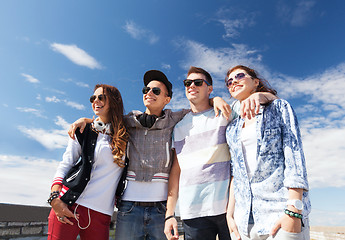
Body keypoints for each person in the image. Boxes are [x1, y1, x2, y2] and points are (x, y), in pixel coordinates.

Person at [164, 66, 277, 240]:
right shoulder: (178, 127)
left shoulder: (226, 112)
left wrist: (258, 95)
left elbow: (273, 100)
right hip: (192, 212)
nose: (191, 86)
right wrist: (169, 214)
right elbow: (176, 172)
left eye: (198, 82)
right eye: (187, 83)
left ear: (209, 88)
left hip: (229, 210)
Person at [224, 65, 311, 240]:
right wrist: (229, 214)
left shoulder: (278, 107)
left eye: (239, 76)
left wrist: (294, 209)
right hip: (243, 223)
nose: (233, 82)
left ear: (256, 82)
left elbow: (294, 156)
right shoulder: (231, 128)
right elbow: (236, 174)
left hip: (279, 213)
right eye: (229, 81)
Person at [47, 84, 127, 240]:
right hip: (69, 204)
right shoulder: (83, 130)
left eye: (101, 97)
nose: (95, 101)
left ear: (114, 101)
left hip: (101, 213)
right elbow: (66, 164)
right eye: (93, 98)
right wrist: (54, 199)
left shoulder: (126, 135)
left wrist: (88, 120)